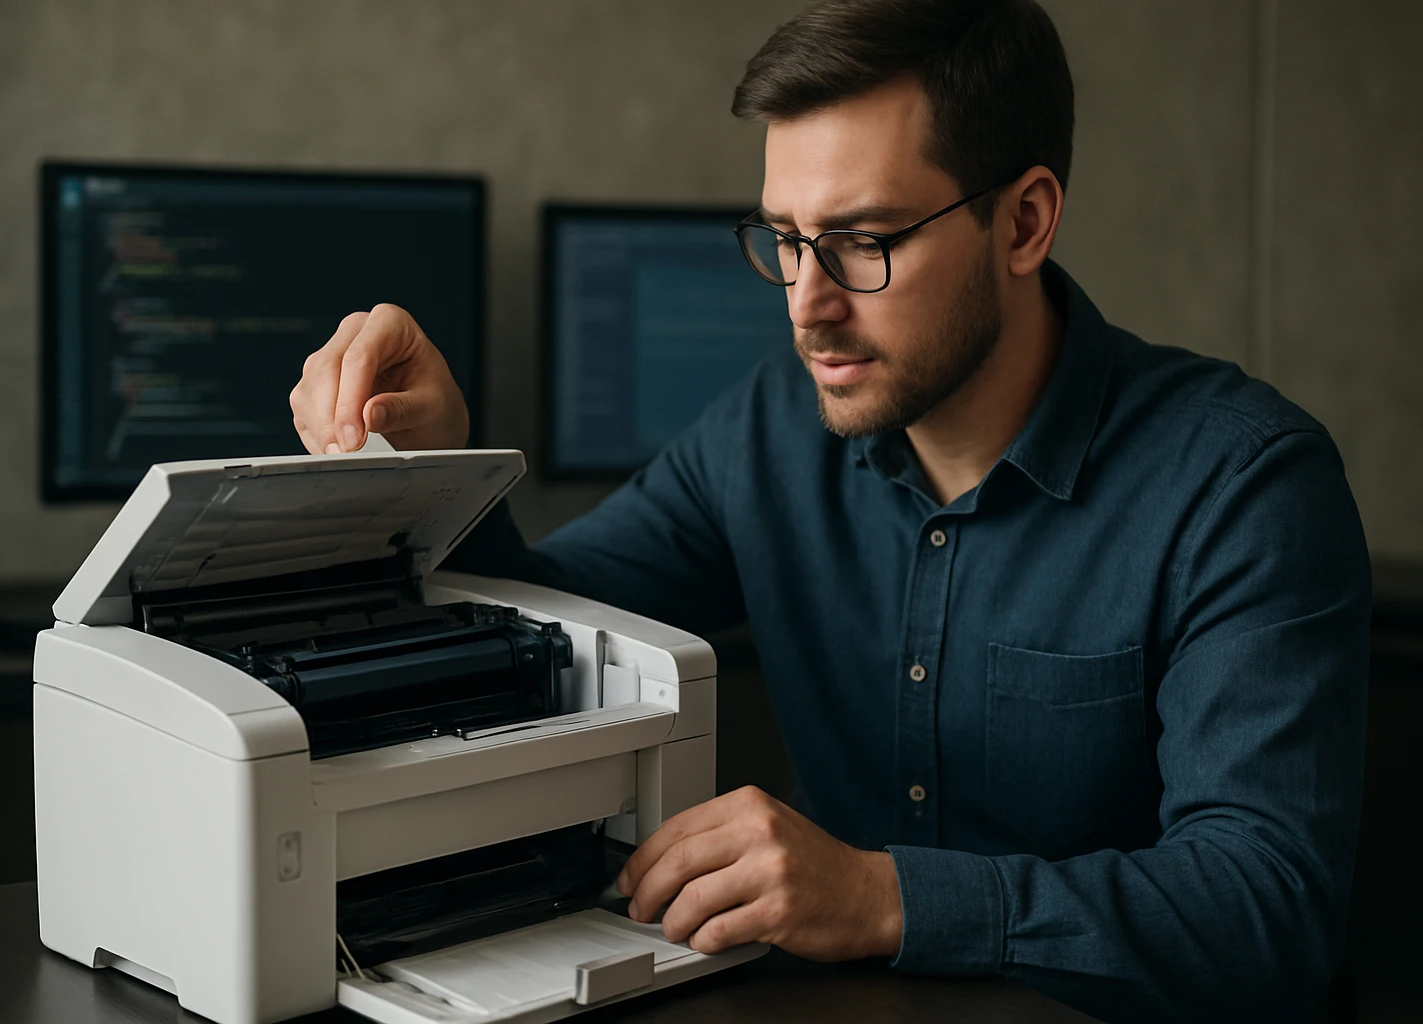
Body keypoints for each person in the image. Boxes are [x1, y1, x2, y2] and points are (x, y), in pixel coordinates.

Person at [288, 1, 1370, 1020]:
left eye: (864, 241)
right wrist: (435, 469)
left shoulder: (1243, 484)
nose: (808, 303)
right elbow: (562, 624)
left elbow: (1266, 911)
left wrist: (884, 895)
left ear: (1026, 221)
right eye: (785, 239)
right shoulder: (768, 430)